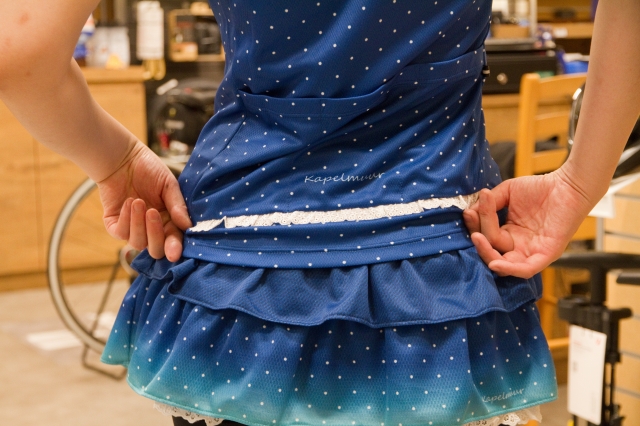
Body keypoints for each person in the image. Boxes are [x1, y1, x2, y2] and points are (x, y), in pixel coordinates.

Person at [1, 0, 639, 425]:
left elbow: (21, 50)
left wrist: (115, 160)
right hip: (439, 281)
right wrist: (580, 181)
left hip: (239, 282)